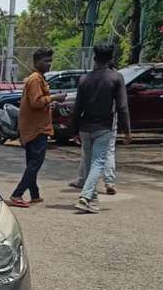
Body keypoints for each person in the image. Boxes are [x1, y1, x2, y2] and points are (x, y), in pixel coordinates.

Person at [71, 44, 132, 213]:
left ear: (94, 58)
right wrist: (126, 130)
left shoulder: (84, 79)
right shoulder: (116, 78)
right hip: (104, 127)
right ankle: (84, 197)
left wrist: (74, 130)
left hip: (85, 127)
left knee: (91, 164)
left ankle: (92, 201)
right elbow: (122, 106)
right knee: (98, 163)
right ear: (111, 59)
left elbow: (77, 108)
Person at [7, 48, 66, 209]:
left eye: (50, 61)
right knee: (35, 164)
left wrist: (50, 102)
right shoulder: (35, 79)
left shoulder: (38, 78)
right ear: (36, 63)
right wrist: (54, 97)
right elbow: (36, 102)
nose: (49, 64)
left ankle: (34, 194)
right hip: (36, 128)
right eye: (45, 61)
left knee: (32, 163)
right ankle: (17, 194)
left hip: (33, 127)